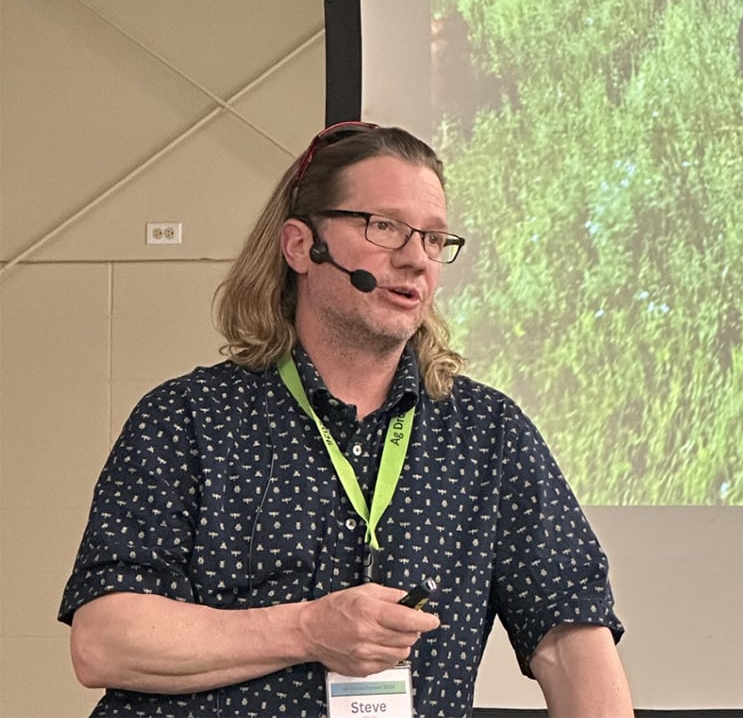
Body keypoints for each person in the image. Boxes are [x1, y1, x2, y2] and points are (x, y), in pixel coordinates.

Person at [59, 121, 632, 717]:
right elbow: (103, 642)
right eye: (383, 227)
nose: (415, 259)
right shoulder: (188, 418)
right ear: (302, 246)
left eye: (435, 239)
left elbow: (572, 639)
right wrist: (307, 630)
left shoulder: (488, 435)